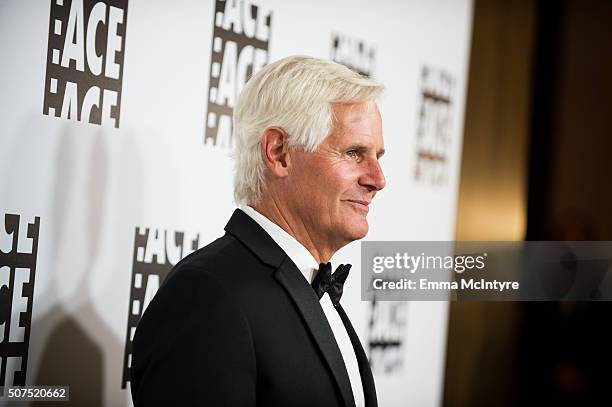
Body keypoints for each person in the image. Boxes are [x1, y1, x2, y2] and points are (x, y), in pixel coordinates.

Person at [130, 55, 386, 407]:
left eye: (378, 156)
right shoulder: (208, 297)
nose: (378, 179)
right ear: (279, 152)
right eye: (354, 153)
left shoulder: (313, 288)